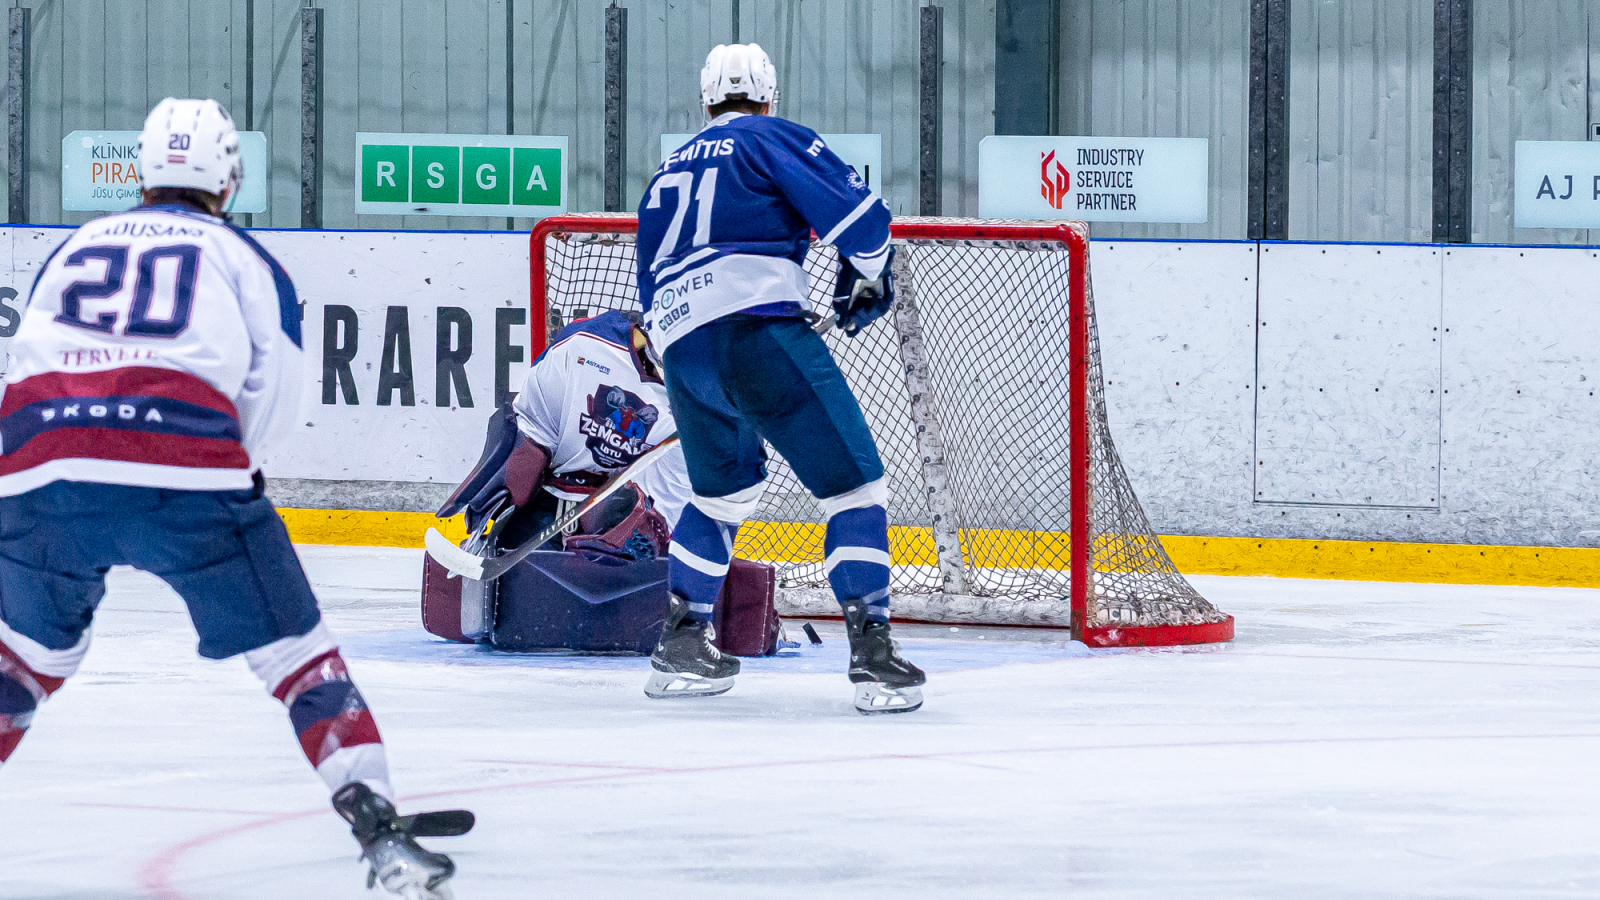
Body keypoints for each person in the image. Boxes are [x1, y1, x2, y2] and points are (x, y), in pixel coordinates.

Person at [0, 98, 465, 898]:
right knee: (298, 659)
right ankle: (377, 826)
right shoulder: (244, 258)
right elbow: (274, 397)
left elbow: (27, 361)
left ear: (142, 171)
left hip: (36, 464)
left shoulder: (72, 247)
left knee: (29, 658)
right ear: (228, 177)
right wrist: (216, 465)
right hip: (187, 468)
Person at [636, 44, 926, 713]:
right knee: (855, 489)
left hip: (683, 350)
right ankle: (873, 656)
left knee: (720, 498)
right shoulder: (769, 137)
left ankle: (681, 646)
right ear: (769, 97)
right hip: (758, 332)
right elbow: (865, 223)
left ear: (705, 100)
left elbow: (652, 292)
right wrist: (868, 273)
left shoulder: (665, 172)